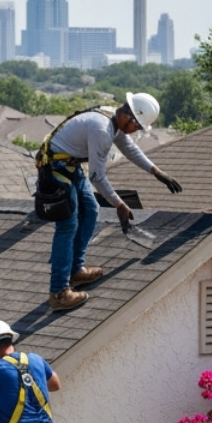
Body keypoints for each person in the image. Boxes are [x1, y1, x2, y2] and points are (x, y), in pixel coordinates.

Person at [36, 93, 183, 311]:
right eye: (137, 126)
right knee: (68, 225)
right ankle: (59, 292)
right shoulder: (102, 130)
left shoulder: (112, 120)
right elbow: (97, 177)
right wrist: (120, 205)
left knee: (91, 210)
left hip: (69, 165)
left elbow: (129, 149)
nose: (136, 130)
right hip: (55, 169)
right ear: (128, 116)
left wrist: (157, 172)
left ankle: (75, 270)